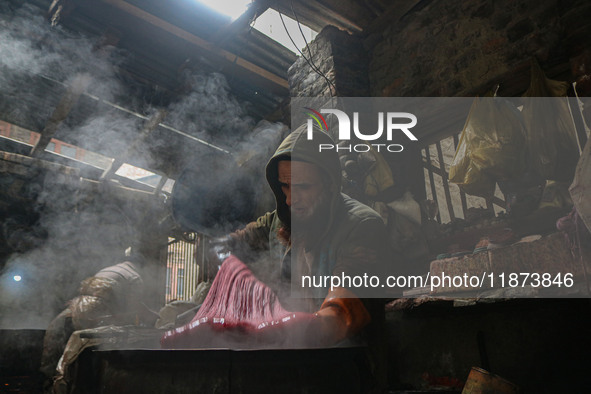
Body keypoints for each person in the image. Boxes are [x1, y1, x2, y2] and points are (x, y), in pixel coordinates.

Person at [211, 124, 390, 389]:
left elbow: (342, 313)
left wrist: (272, 329)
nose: (293, 200)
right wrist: (225, 260)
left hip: (346, 369)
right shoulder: (278, 221)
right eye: (285, 186)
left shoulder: (362, 225)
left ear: (330, 185)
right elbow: (232, 243)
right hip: (291, 364)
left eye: (304, 187)